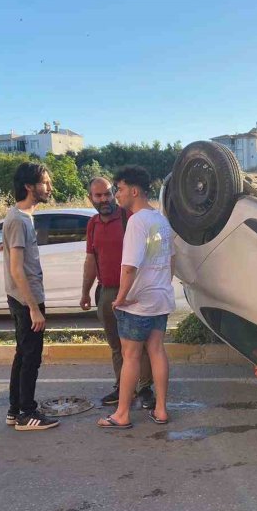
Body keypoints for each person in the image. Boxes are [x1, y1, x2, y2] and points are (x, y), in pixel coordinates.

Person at [98, 166, 175, 429]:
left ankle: (121, 414)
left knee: (130, 357)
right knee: (156, 351)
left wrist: (120, 298)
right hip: (160, 299)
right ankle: (161, 410)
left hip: (138, 303)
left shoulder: (136, 221)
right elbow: (169, 260)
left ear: (134, 190)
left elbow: (129, 267)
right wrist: (160, 284)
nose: (116, 195)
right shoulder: (161, 220)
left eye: (118, 190)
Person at [80, 176, 155, 408]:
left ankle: (144, 389)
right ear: (91, 198)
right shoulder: (92, 224)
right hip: (107, 293)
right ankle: (123, 386)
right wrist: (85, 292)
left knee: (137, 344)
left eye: (107, 194)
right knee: (116, 345)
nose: (104, 199)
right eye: (98, 196)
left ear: (114, 193)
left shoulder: (130, 219)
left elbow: (153, 253)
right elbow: (91, 260)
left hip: (133, 292)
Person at [3, 162, 59, 431]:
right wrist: (33, 308)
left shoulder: (21, 217)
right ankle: (27, 413)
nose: (49, 187)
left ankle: (16, 410)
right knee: (30, 358)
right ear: (29, 186)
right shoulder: (18, 220)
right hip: (26, 299)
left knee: (23, 355)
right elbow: (16, 268)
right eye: (45, 183)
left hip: (23, 298)